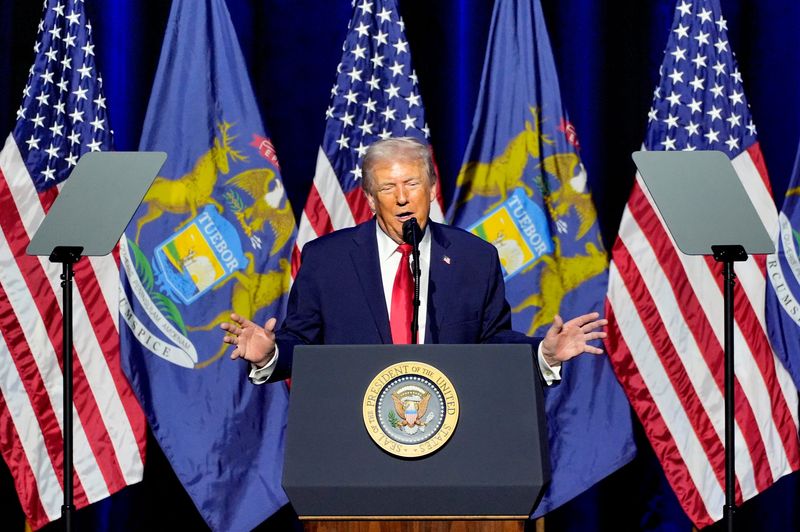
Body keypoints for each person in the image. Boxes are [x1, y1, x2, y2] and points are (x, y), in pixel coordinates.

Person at [220, 137, 606, 384]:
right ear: (370, 198)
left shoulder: (475, 258)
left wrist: (545, 353)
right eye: (388, 188)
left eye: (413, 184)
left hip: (453, 446)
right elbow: (302, 343)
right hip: (354, 448)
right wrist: (270, 354)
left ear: (432, 189)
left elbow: (493, 343)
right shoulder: (326, 260)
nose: (402, 198)